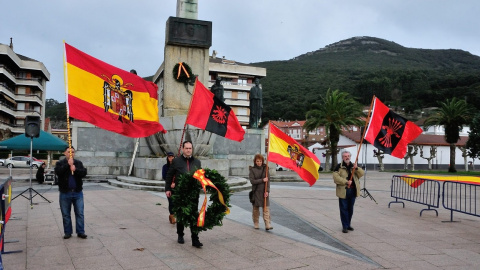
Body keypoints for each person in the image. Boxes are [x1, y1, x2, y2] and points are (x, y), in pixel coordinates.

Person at [165, 141, 203, 247]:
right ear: (182, 149)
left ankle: (195, 239)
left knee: (193, 216)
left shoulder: (197, 162)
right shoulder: (176, 161)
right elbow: (169, 175)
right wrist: (168, 189)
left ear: (192, 149)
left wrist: (202, 184)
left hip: (193, 194)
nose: (188, 150)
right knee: (181, 215)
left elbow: (200, 176)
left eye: (190, 148)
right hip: (180, 193)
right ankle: (180, 235)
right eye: (186, 148)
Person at [55, 146, 88, 239]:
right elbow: (58, 172)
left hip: (77, 192)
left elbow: (84, 173)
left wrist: (75, 169)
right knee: (66, 214)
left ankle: (81, 231)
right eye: (69, 152)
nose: (71, 154)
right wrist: (67, 165)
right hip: (65, 193)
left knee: (80, 213)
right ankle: (68, 232)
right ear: (64, 153)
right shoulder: (60, 163)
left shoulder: (78, 163)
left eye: (73, 152)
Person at [332, 150, 364, 233]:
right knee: (343, 209)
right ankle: (345, 226)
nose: (347, 157)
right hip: (344, 191)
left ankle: (348, 224)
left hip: (353, 190)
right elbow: (336, 178)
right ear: (342, 157)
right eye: (345, 156)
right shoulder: (339, 167)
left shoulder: (354, 166)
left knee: (350, 209)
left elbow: (361, 174)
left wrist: (356, 168)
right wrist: (346, 182)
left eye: (348, 156)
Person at [249, 154, 273, 230]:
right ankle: (256, 222)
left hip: (264, 191)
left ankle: (267, 224)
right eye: (257, 161)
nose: (259, 162)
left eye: (260, 161)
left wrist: (267, 191)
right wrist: (262, 180)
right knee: (256, 209)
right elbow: (252, 181)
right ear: (255, 162)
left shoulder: (266, 169)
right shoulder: (252, 170)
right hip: (256, 191)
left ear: (262, 161)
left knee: (266, 209)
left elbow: (268, 182)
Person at [162, 151, 176, 224]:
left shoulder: (176, 166)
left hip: (176, 186)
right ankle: (172, 215)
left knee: (176, 202)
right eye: (169, 157)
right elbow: (164, 176)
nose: (171, 158)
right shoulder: (165, 167)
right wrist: (170, 182)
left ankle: (176, 215)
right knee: (171, 202)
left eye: (172, 157)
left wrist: (175, 182)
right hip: (168, 187)